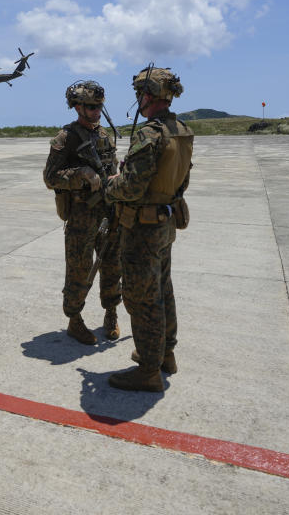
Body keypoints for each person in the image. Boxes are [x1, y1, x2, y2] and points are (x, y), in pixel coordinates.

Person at [104, 67, 193, 392]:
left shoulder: (150, 134)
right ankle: (165, 354)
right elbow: (182, 179)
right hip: (166, 221)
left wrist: (111, 186)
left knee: (143, 298)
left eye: (140, 94)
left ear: (150, 95)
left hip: (142, 228)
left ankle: (149, 370)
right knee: (163, 289)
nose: (138, 100)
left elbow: (130, 188)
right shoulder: (181, 130)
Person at [43, 80, 122, 345]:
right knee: (79, 268)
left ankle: (111, 313)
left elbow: (111, 166)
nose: (96, 111)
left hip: (109, 211)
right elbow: (50, 177)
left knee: (112, 265)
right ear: (77, 107)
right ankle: (74, 319)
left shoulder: (104, 135)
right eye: (90, 107)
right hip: (81, 216)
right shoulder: (66, 137)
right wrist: (80, 174)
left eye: (99, 106)